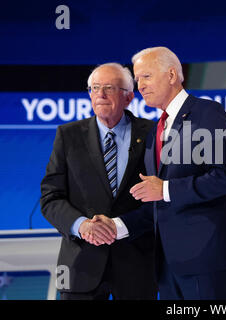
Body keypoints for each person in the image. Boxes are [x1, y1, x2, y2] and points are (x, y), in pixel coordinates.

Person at [97, 47, 226, 300]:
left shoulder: (207, 113)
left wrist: (164, 189)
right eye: (136, 79)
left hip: (204, 262)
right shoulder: (156, 130)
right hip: (166, 266)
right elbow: (157, 203)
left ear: (172, 75)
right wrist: (116, 226)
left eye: (146, 77)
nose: (139, 86)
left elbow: (225, 177)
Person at [40, 63, 157, 300]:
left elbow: (162, 198)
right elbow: (51, 197)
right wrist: (82, 226)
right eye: (94, 88)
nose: (100, 94)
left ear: (128, 97)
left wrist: (121, 226)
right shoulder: (68, 135)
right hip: (80, 266)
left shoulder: (153, 134)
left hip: (138, 265)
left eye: (109, 88)